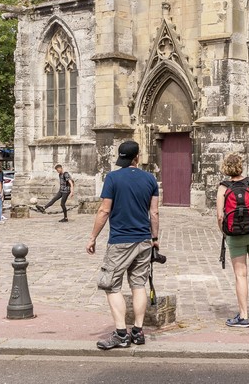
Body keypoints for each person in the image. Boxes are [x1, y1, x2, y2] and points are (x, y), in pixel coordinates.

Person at [86, 140, 160, 350]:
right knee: (138, 284)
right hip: (144, 240)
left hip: (120, 240)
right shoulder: (150, 179)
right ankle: (137, 330)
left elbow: (104, 211)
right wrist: (155, 238)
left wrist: (92, 237)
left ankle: (120, 333)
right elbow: (154, 212)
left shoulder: (113, 178)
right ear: (137, 157)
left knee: (111, 285)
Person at [216, 152, 249, 328]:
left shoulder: (223, 188)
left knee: (241, 275)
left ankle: (244, 316)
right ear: (241, 166)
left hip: (235, 235)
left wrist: (226, 232)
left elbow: (220, 217)